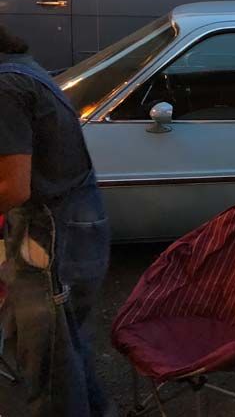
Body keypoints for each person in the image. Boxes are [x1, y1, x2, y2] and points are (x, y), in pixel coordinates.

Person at [0, 24, 112, 416]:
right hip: (72, 225)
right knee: (66, 350)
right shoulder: (20, 68)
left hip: (50, 234)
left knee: (49, 366)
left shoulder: (5, 87)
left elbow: (13, 188)